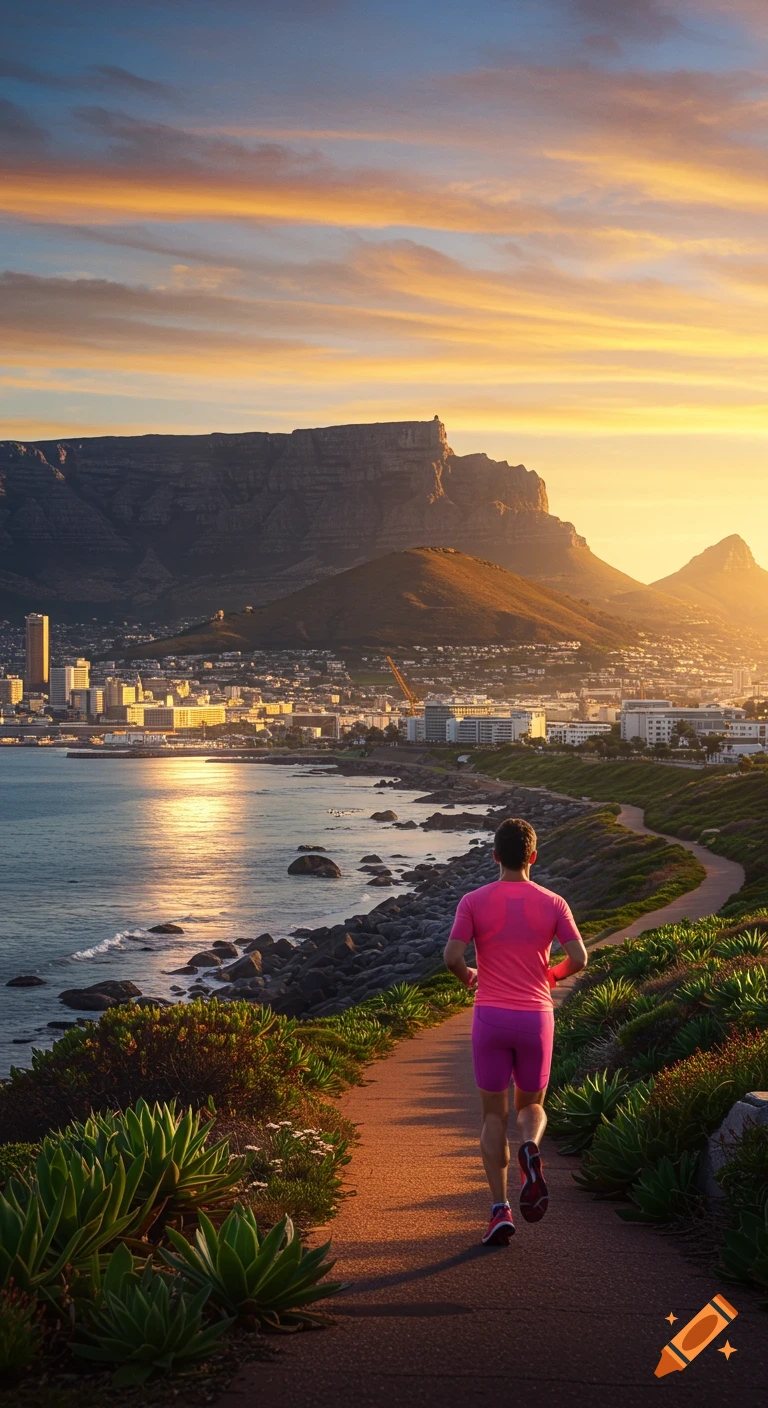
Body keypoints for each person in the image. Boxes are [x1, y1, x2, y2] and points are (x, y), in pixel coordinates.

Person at [443, 816, 588, 1246]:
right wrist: (552, 977)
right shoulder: (554, 902)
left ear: (494, 856)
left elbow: (451, 957)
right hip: (536, 1018)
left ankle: (500, 1209)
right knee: (532, 1106)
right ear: (533, 857)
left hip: (489, 1016)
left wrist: (471, 978)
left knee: (492, 1115)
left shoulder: (473, 900)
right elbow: (579, 957)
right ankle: (531, 1148)